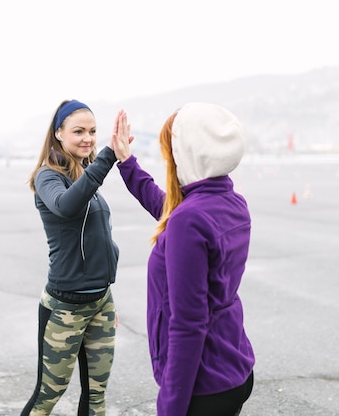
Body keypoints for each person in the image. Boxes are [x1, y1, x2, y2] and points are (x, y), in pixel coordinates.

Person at [111, 103, 255, 416]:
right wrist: (126, 162)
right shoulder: (230, 203)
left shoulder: (189, 221)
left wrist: (170, 406)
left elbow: (188, 324)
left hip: (204, 386)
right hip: (234, 365)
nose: (169, 157)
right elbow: (168, 208)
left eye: (171, 149)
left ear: (188, 154)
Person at [21, 99, 121, 416]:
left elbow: (97, 235)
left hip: (100, 302)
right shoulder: (46, 178)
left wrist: (106, 289)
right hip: (65, 306)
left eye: (92, 131)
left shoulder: (84, 175)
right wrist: (107, 156)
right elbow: (66, 206)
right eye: (78, 131)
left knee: (96, 397)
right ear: (59, 133)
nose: (87, 138)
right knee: (47, 396)